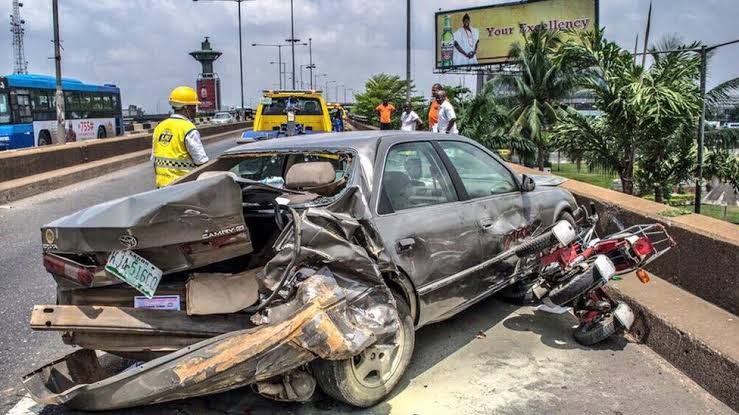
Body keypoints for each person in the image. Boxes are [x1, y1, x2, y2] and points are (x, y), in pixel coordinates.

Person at [151, 86, 209, 188]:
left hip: (161, 187)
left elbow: (154, 161)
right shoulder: (188, 128)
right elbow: (201, 162)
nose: (195, 110)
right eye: (194, 107)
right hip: (182, 188)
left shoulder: (159, 127)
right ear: (186, 108)